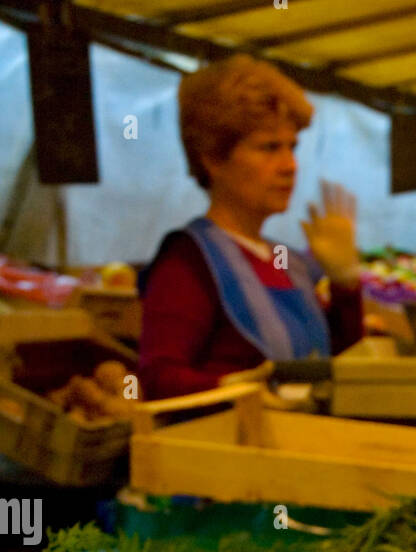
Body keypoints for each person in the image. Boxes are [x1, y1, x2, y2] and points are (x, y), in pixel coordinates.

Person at [139, 55, 364, 400]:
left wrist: (345, 284)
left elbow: (338, 367)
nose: (290, 165)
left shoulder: (284, 261)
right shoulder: (188, 263)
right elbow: (158, 379)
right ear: (212, 158)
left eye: (293, 147)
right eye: (269, 147)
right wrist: (234, 390)